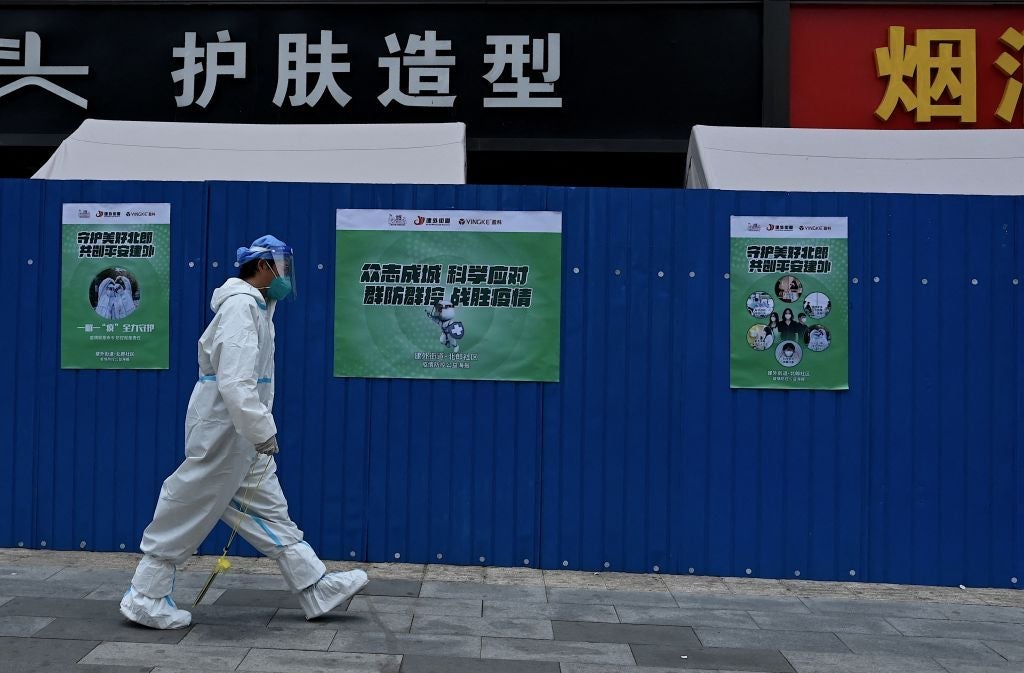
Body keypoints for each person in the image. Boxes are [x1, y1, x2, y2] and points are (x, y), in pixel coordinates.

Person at [120, 235, 367, 630]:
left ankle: (315, 586)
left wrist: (256, 429)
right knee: (192, 497)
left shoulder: (257, 308)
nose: (287, 275)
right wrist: (260, 429)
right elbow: (235, 382)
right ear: (264, 266)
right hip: (225, 425)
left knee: (266, 505)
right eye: (283, 267)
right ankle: (145, 595)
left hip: (239, 426)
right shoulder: (240, 307)